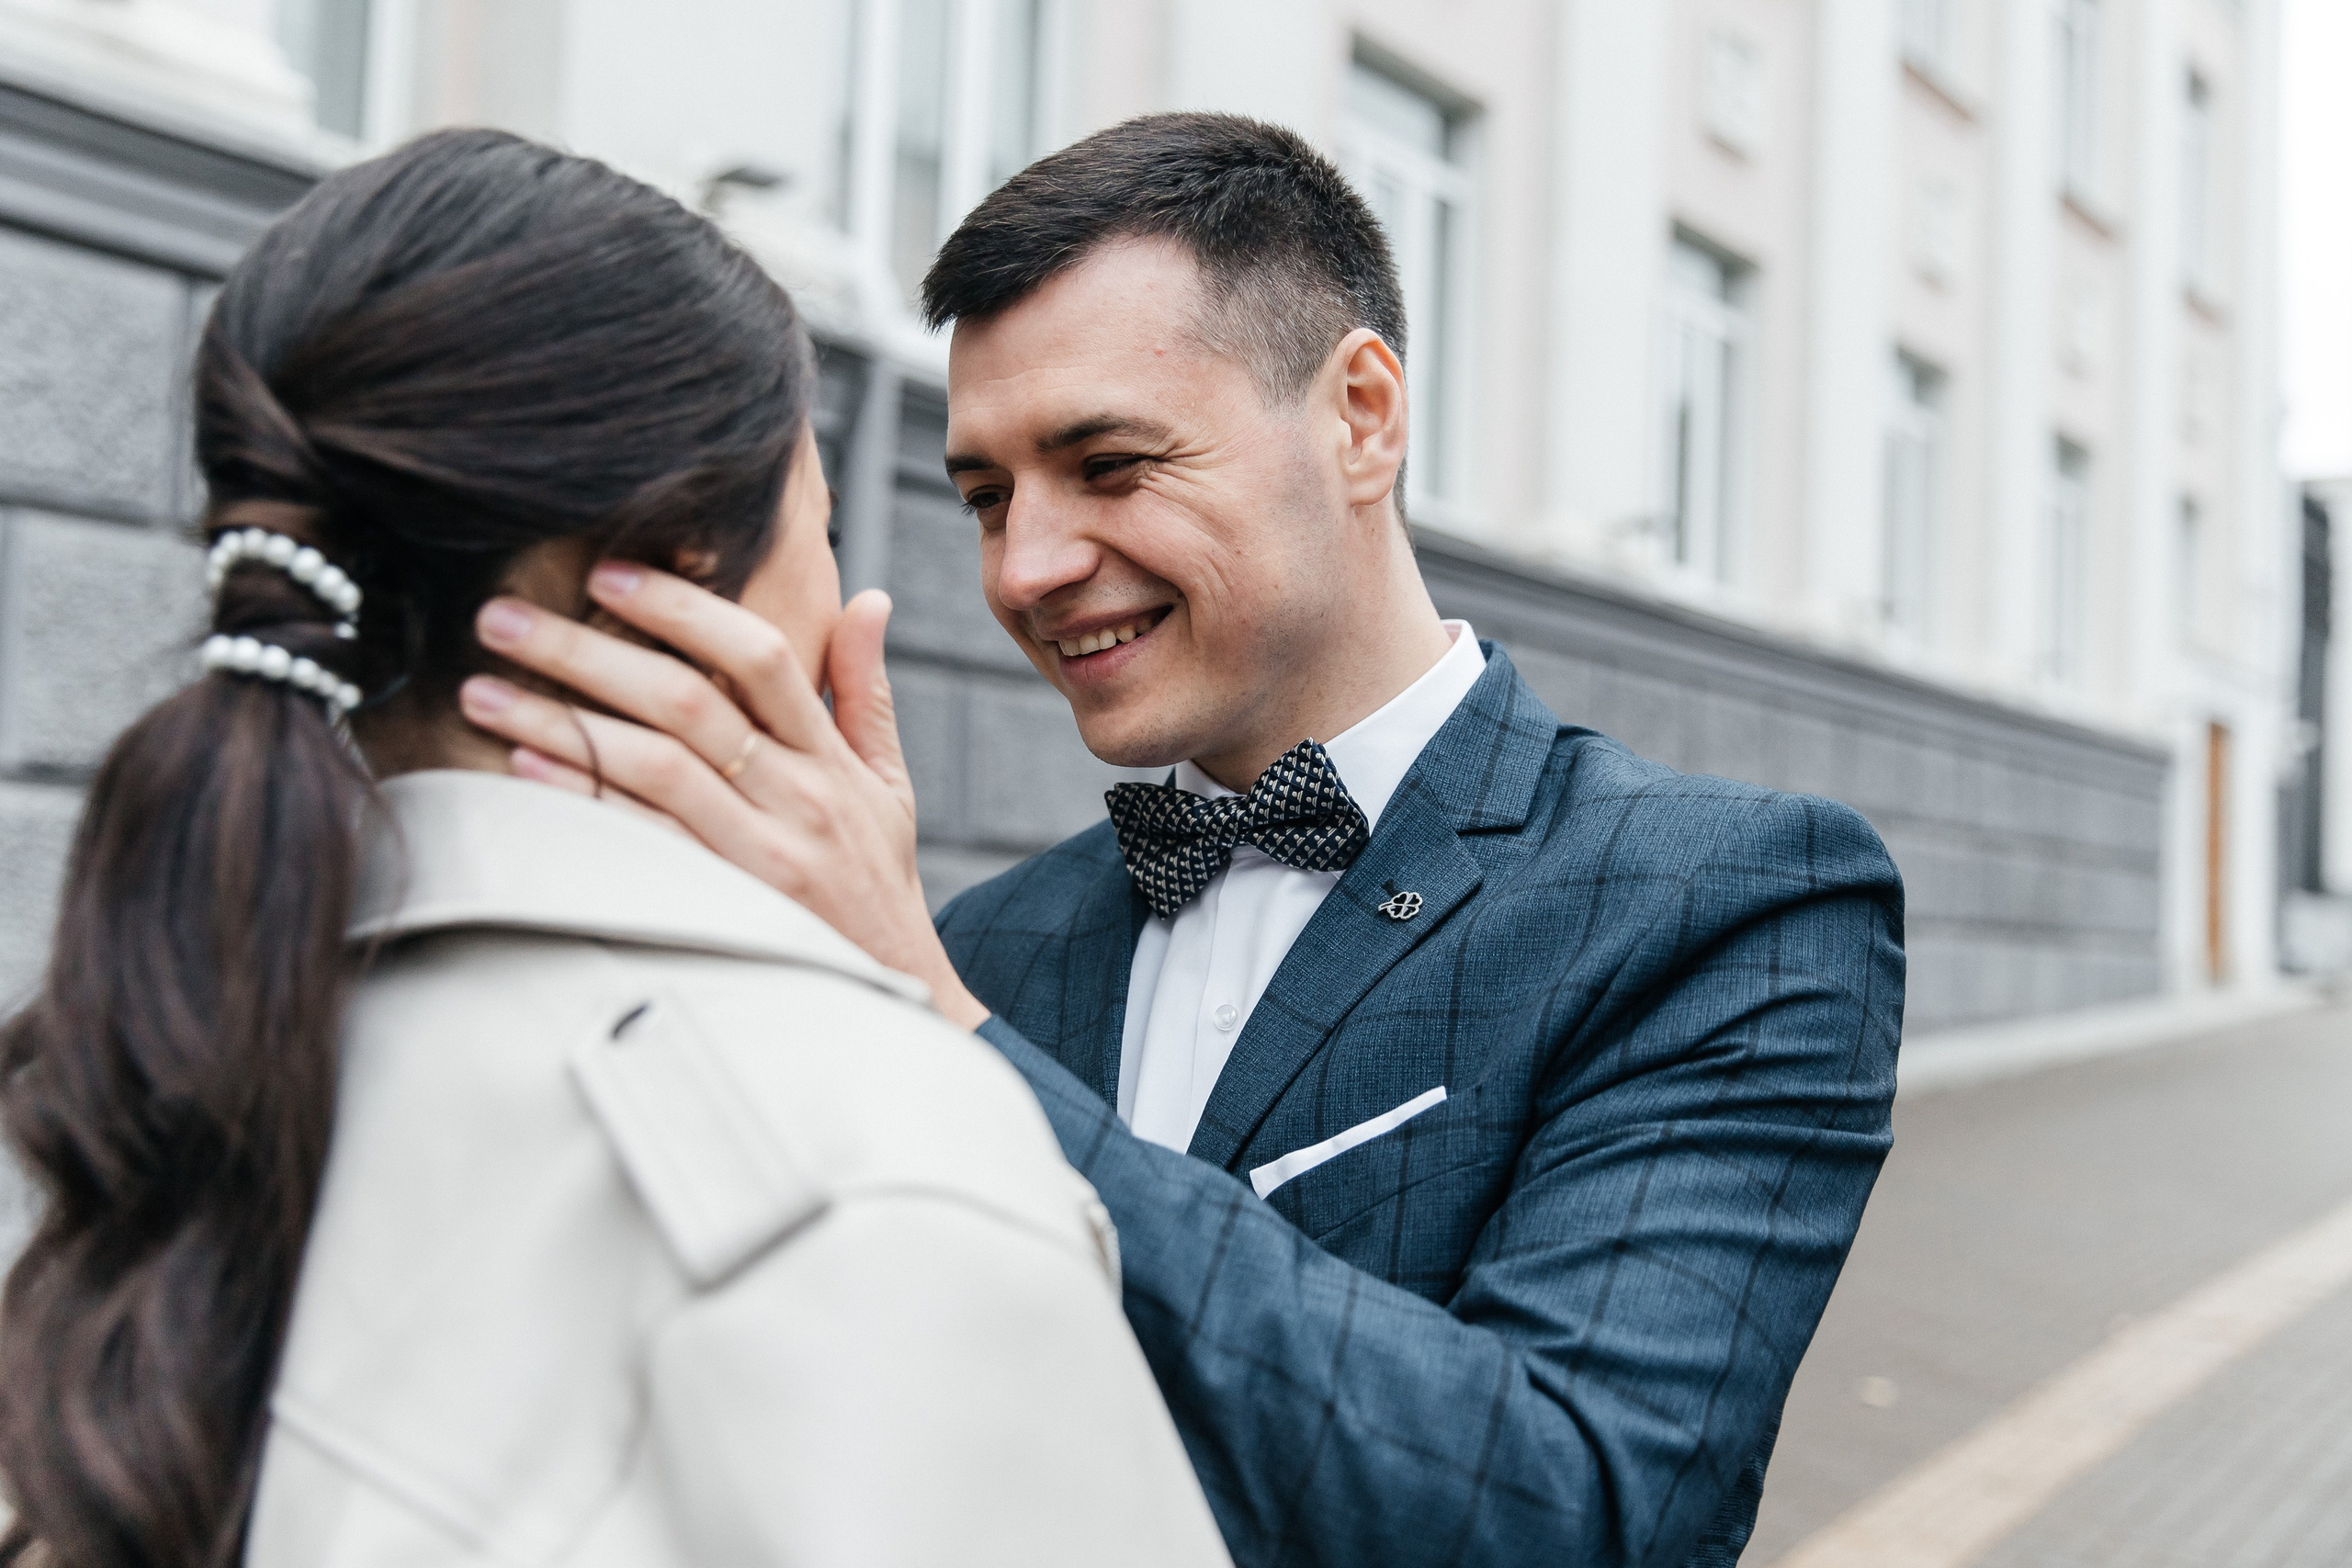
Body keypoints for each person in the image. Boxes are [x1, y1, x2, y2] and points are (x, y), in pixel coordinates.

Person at [460, 114, 1906, 1567]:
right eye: (985, 495)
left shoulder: (1730, 904)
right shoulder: (984, 942)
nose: (1024, 567)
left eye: (1109, 463)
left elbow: (1580, 1515)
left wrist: (945, 1032)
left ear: (1360, 416)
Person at [0, 129, 1230, 1568]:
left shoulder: (209, 1037)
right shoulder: (866, 1159)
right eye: (823, 530)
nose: (1021, 570)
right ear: (672, 586)